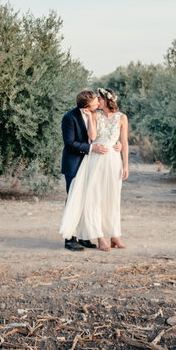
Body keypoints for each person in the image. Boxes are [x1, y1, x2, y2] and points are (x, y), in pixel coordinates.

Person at [59, 87, 130, 252]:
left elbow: (123, 141)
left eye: (99, 98)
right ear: (87, 107)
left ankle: (106, 235)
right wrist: (93, 147)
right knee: (80, 199)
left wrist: (122, 157)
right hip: (86, 161)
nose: (97, 101)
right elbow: (83, 139)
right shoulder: (74, 117)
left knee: (111, 198)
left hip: (112, 160)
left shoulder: (121, 117)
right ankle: (72, 238)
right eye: (95, 99)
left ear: (106, 100)